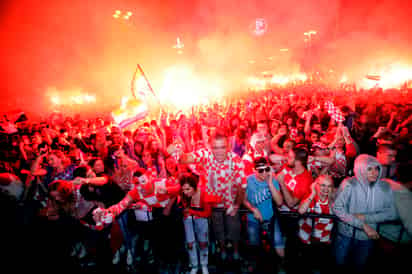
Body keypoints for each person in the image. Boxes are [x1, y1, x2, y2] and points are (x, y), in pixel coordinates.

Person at [176, 128, 246, 262]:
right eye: (215, 147)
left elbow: (242, 187)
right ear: (210, 147)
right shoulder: (206, 154)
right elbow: (185, 159)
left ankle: (236, 251)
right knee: (218, 231)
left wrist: (236, 205)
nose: (219, 151)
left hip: (231, 204)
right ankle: (223, 251)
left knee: (234, 230)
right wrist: (178, 152)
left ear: (228, 146)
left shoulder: (236, 161)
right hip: (214, 205)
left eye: (222, 147)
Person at [333, 154, 398, 273]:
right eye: (369, 169)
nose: (374, 172)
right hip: (346, 234)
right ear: (360, 169)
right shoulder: (350, 184)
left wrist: (366, 218)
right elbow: (337, 208)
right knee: (340, 265)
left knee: (360, 266)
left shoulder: (384, 187)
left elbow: (392, 213)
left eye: (376, 168)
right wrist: (362, 225)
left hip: (367, 237)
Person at [243, 157, 284, 273]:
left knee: (279, 248)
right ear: (253, 170)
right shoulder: (248, 180)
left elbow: (280, 202)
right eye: (260, 170)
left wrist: (270, 182)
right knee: (254, 245)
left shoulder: (272, 180)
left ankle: (280, 265)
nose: (264, 173)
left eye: (266, 169)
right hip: (253, 219)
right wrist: (253, 209)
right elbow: (243, 200)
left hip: (270, 218)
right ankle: (254, 265)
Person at [297, 175, 335, 273]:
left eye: (329, 186)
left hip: (323, 241)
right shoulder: (310, 198)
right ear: (316, 185)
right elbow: (301, 211)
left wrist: (332, 197)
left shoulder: (332, 201)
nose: (326, 189)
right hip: (307, 241)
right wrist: (313, 193)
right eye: (323, 185)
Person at [180, 172, 213, 274]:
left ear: (194, 187)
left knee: (203, 243)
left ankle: (204, 265)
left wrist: (192, 212)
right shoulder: (183, 195)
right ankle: (194, 265)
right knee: (190, 243)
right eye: (183, 189)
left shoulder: (202, 193)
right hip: (188, 221)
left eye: (188, 189)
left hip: (201, 220)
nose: (185, 192)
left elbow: (207, 213)